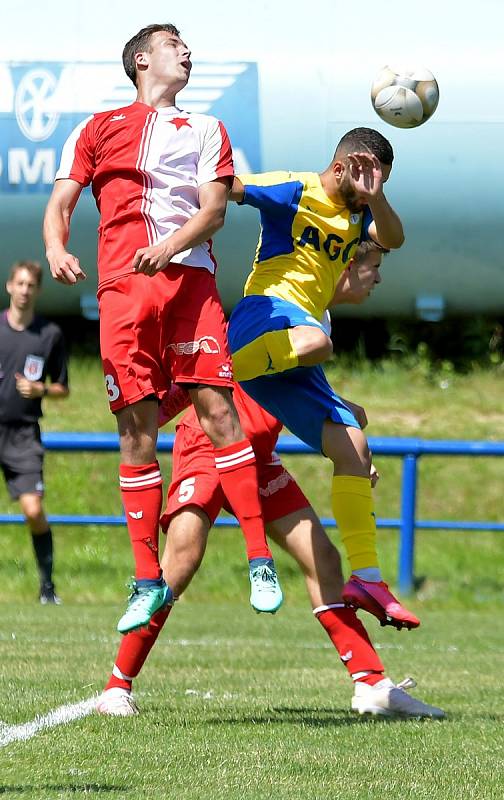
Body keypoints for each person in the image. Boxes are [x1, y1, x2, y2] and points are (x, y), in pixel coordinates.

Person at [96, 244, 444, 719]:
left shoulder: (314, 314)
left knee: (322, 557)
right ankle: (118, 685)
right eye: (372, 268)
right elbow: (229, 361)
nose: (377, 279)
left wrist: (347, 435)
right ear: (343, 269)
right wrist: (164, 406)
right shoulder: (284, 304)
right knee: (182, 558)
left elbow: (283, 383)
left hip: (258, 456)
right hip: (209, 444)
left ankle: (371, 685)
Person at [43, 23, 282, 628]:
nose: (188, 52)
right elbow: (63, 202)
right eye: (176, 44)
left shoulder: (207, 129)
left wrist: (169, 247)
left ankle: (258, 559)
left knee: (219, 409)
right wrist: (54, 246)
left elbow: (214, 212)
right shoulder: (97, 127)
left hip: (190, 282)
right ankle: (145, 578)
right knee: (136, 429)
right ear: (142, 59)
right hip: (123, 291)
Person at [226, 129, 420, 630]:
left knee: (355, 445)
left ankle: (368, 577)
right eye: (367, 176)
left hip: (289, 353)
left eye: (380, 181)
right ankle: (214, 371)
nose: (370, 187)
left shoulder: (360, 218)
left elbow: (396, 239)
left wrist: (377, 196)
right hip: (263, 315)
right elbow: (228, 187)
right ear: (343, 166)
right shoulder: (294, 188)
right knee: (317, 341)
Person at [0, 260, 69, 604]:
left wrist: (38, 389)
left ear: (38, 291)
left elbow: (63, 388)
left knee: (32, 510)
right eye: (20, 284)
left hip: (24, 434)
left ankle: (47, 587)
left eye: (31, 285)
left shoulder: (49, 335)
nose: (25, 291)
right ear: (9, 286)